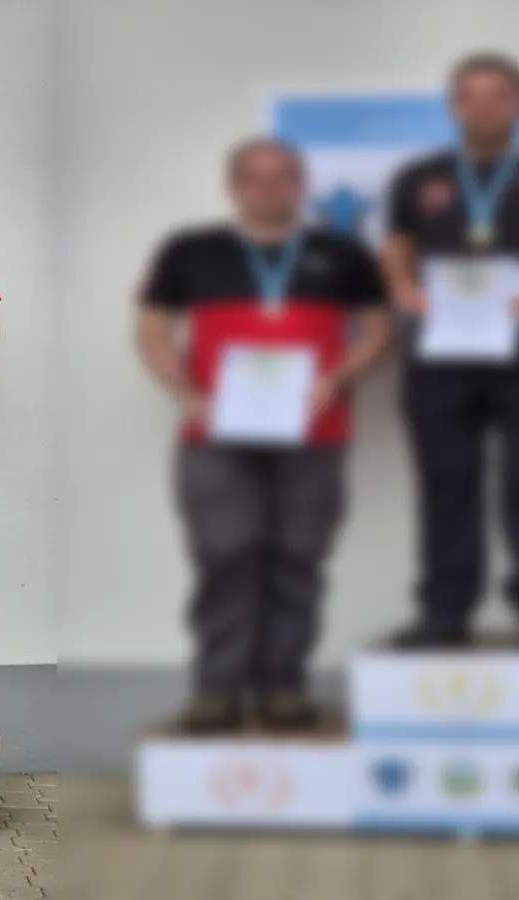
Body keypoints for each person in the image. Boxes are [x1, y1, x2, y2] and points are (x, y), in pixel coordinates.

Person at [137, 138, 392, 732]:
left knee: (298, 557)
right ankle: (217, 690)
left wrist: (337, 377)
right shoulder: (191, 251)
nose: (269, 189)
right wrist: (188, 392)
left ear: (299, 185)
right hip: (216, 435)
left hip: (315, 431)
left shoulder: (343, 253)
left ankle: (283, 687)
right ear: (235, 187)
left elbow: (378, 330)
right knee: (225, 557)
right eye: (255, 178)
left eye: (282, 177)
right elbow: (152, 331)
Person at [381, 52, 519, 648]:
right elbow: (396, 245)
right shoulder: (418, 177)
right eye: (471, 97)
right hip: (441, 355)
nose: (483, 108)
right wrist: (402, 286)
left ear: (515, 103)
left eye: (497, 96)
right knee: (447, 481)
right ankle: (445, 608)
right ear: (452, 106)